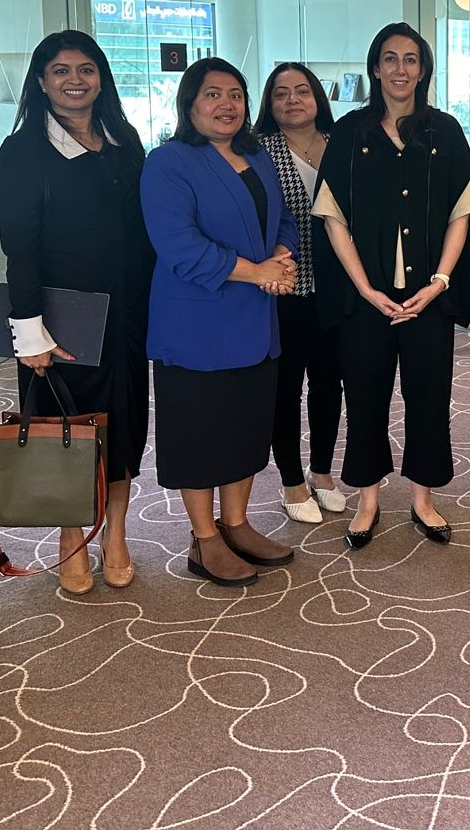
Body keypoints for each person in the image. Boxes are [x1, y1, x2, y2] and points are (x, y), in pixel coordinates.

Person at [0, 31, 155, 594]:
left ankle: (116, 535)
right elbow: (20, 249)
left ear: (102, 78)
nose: (75, 80)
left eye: (86, 69)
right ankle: (71, 537)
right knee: (67, 430)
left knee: (123, 429)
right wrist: (29, 331)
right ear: (41, 81)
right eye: (60, 71)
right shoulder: (23, 150)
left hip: (126, 314)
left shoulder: (124, 140)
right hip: (63, 319)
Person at [312, 23, 470, 550]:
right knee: (365, 397)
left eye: (410, 59)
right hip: (366, 301)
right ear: (375, 67)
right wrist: (364, 289)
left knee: (429, 397)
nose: (400, 69)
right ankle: (367, 501)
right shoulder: (350, 132)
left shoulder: (445, 132)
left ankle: (423, 499)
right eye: (390, 58)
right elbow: (332, 215)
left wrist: (440, 282)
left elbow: (462, 212)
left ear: (423, 69)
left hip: (429, 297)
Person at [142, 58, 299, 587]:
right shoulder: (168, 161)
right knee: (200, 435)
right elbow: (179, 245)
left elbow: (285, 219)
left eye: (235, 94)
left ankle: (237, 524)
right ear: (189, 103)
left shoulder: (257, 156)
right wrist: (258, 272)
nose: (226, 104)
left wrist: (281, 257)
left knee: (245, 428)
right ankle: (204, 538)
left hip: (256, 318)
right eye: (212, 94)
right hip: (196, 324)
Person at [253, 62, 346, 523]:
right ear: (269, 104)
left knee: (329, 384)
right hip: (282, 290)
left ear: (317, 98)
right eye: (281, 93)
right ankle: (291, 480)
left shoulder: (341, 143)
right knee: (285, 389)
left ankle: (322, 472)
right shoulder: (256, 150)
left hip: (337, 287)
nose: (293, 100)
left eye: (302, 90)